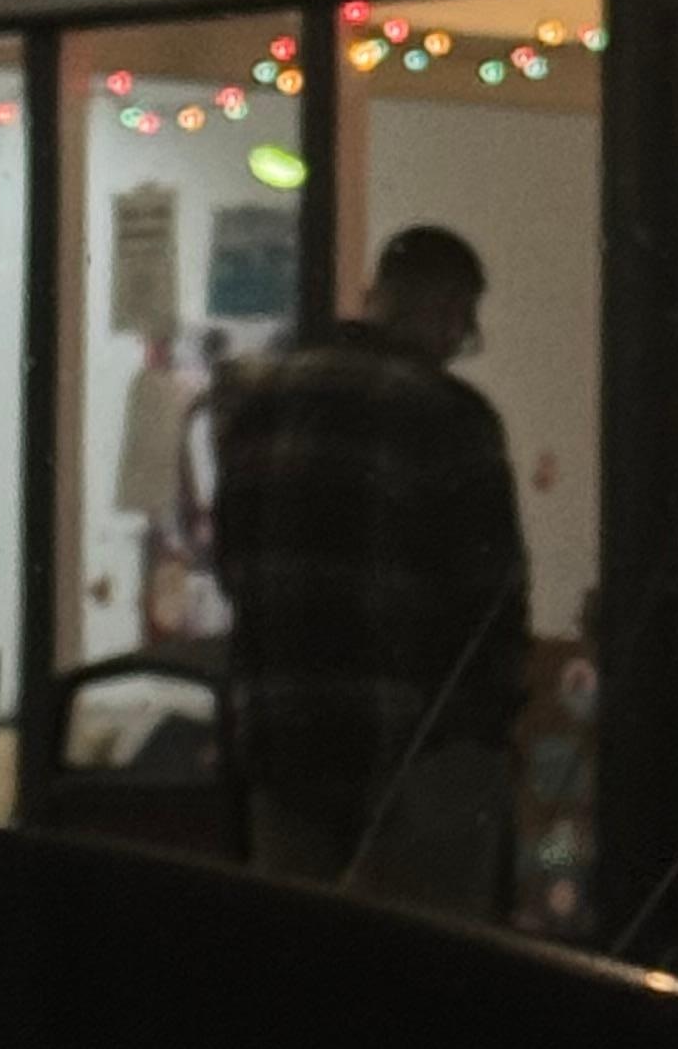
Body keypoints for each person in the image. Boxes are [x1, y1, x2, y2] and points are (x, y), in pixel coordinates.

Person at [211, 223, 528, 921]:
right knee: (419, 965)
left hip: (282, 743)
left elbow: (233, 567)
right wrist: (489, 732)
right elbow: (490, 604)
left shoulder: (261, 405)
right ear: (449, 311)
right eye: (464, 326)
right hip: (413, 754)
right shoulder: (449, 417)